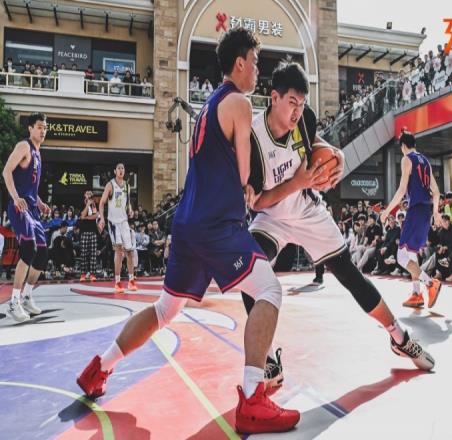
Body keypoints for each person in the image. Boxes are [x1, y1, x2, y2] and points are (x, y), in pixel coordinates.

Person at [77, 27, 299, 435]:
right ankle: (253, 397)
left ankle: (99, 368)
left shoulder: (208, 105)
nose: (258, 70)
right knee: (269, 290)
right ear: (240, 63)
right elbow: (245, 174)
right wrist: (262, 185)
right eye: (255, 62)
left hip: (188, 223)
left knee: (165, 310)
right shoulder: (239, 103)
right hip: (216, 223)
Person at [242, 62, 434, 384]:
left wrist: (337, 154)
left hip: (306, 209)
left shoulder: (304, 119)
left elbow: (316, 143)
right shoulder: (253, 138)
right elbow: (258, 202)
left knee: (349, 273)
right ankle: (268, 357)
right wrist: (297, 182)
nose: (297, 111)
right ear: (274, 98)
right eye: (291, 103)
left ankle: (399, 336)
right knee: (251, 271)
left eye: (302, 104)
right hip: (272, 214)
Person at [381, 131, 442, 308]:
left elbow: (401, 190)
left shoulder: (407, 159)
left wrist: (386, 212)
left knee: (401, 256)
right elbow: (436, 192)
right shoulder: (425, 161)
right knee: (411, 253)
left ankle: (430, 283)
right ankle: (416, 294)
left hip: (416, 210)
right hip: (426, 211)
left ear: (403, 146)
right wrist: (436, 213)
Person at [2, 113, 50, 322]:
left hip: (32, 209)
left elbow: (31, 187)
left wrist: (39, 202)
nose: (43, 130)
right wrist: (15, 197)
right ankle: (14, 302)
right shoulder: (24, 146)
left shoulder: (38, 153)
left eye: (45, 127)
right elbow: (6, 172)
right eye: (39, 127)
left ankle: (27, 296)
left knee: (42, 254)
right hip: (19, 207)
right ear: (30, 128)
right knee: (29, 249)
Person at [98, 163, 137, 293]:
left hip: (124, 222)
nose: (121, 170)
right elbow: (102, 203)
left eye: (122, 168)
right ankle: (117, 282)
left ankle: (131, 280)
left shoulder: (127, 186)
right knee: (119, 251)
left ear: (124, 171)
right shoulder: (110, 185)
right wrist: (102, 218)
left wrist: (130, 210)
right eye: (119, 168)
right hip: (113, 222)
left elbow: (128, 203)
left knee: (130, 251)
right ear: (115, 171)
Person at [79, 190, 99, 282]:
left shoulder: (94, 204)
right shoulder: (82, 204)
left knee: (93, 254)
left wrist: (86, 218)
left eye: (90, 193)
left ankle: (92, 274)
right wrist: (87, 204)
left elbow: (95, 216)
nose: (89, 195)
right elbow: (82, 214)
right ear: (84, 195)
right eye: (87, 193)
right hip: (84, 232)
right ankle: (83, 274)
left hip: (93, 231)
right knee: (83, 253)